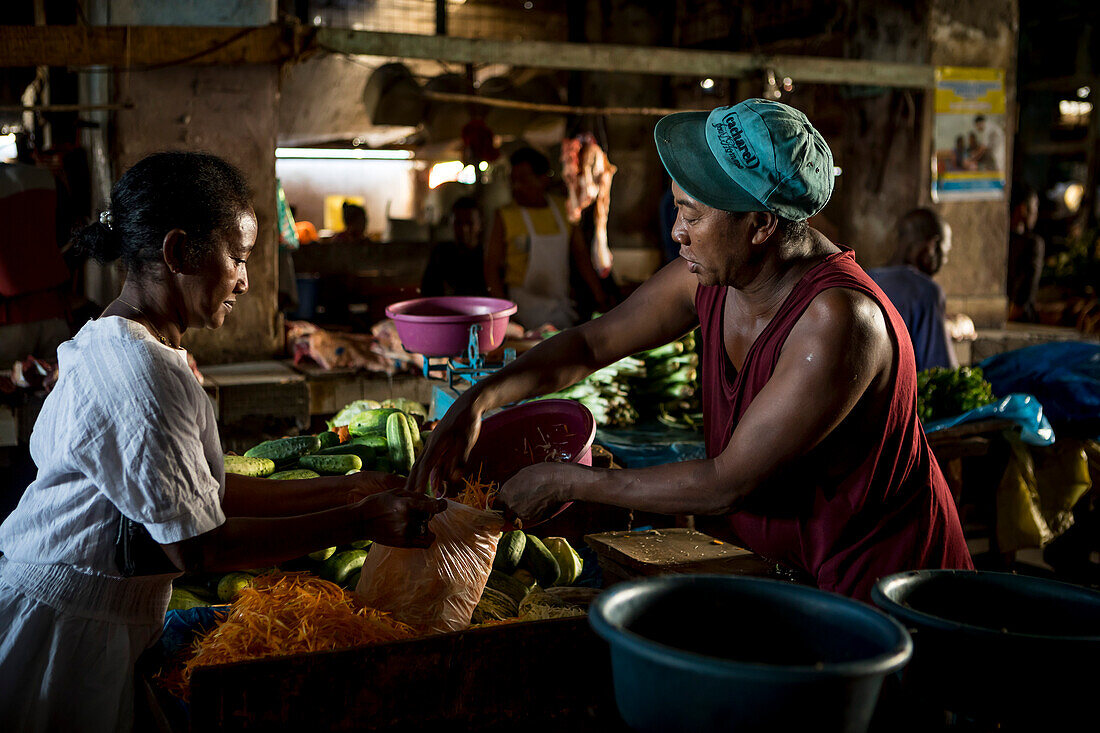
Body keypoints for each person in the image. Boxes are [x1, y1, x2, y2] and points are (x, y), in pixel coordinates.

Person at [411, 100, 972, 602]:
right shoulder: (709, 278)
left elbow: (727, 481)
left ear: (760, 225)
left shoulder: (837, 322)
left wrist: (563, 480)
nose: (677, 232)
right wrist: (479, 401)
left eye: (693, 214)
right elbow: (591, 341)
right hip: (796, 576)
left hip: (887, 590)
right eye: (677, 209)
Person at [0, 152, 445, 733]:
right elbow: (199, 549)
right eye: (236, 257)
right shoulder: (141, 374)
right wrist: (359, 521)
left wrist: (346, 489)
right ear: (179, 251)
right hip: (66, 638)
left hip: (97, 618)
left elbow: (203, 496)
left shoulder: (126, 342)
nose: (245, 278)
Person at [485, 147, 609, 330]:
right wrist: (503, 314)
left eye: (524, 180)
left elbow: (582, 256)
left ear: (543, 179)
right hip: (522, 311)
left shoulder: (564, 209)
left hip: (561, 308)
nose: (517, 186)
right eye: (513, 180)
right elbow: (491, 266)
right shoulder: (505, 215)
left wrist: (600, 298)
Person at [867, 208, 958, 371]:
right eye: (946, 251)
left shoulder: (866, 278)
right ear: (932, 245)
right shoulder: (927, 292)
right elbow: (939, 372)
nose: (944, 260)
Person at [421, 196, 488, 297]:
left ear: (480, 225)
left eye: (469, 223)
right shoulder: (441, 254)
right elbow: (428, 292)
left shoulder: (488, 256)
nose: (464, 229)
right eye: (458, 223)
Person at [1007, 182, 1045, 323]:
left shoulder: (1001, 241)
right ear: (1023, 208)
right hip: (1018, 316)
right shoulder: (1033, 244)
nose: (1036, 213)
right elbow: (1029, 282)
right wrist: (1017, 308)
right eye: (1035, 208)